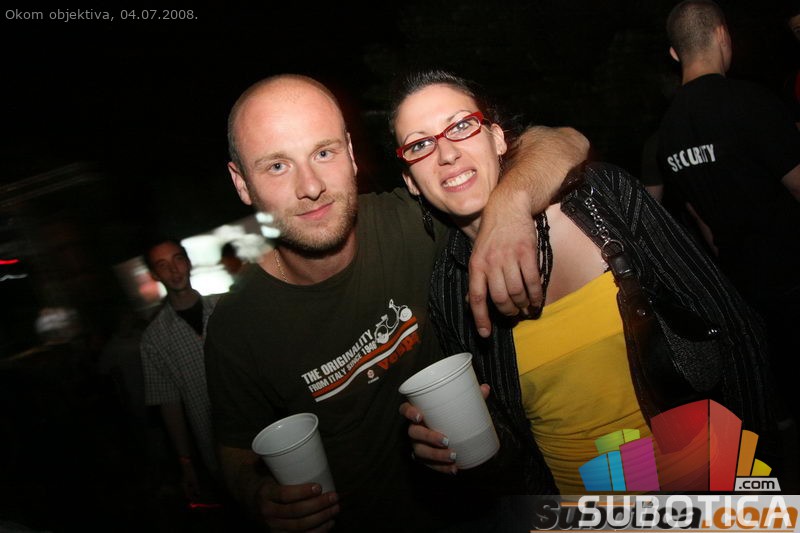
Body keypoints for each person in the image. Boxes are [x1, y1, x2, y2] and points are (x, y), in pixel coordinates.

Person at [204, 74, 588, 532]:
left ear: (350, 153)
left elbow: (564, 141)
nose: (310, 186)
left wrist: (510, 206)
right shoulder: (237, 325)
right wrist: (258, 496)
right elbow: (235, 449)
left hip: (489, 506)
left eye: (323, 153)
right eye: (277, 166)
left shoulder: (416, 222)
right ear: (242, 183)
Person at [389, 69, 782, 495]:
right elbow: (511, 443)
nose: (446, 153)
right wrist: (451, 448)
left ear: (497, 139)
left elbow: (736, 331)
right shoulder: (449, 288)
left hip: (707, 486)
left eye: (462, 125)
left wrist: (752, 482)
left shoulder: (601, 199)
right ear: (411, 182)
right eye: (420, 144)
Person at [657, 0, 800, 428]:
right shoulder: (749, 101)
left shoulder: (667, 132)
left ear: (675, 53)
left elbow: (698, 217)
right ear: (722, 35)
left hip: (741, 281)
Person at [140, 237, 222, 502]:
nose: (174, 270)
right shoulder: (154, 339)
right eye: (163, 265)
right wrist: (186, 463)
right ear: (155, 274)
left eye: (177, 259)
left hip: (261, 425)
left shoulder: (224, 307)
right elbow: (169, 404)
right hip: (213, 444)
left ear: (188, 262)